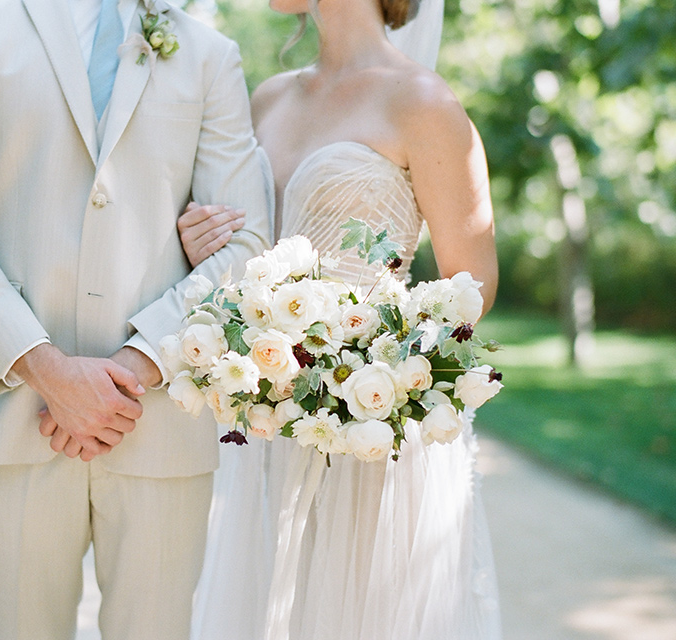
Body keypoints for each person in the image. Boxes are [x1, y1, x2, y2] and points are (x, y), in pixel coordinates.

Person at [0, 0, 272, 636]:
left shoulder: (212, 55)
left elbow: (247, 245)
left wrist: (135, 365)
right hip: (18, 417)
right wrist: (49, 372)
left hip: (160, 420)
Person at [179, 0, 503, 638]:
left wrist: (363, 365)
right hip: (270, 418)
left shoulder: (424, 102)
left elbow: (474, 284)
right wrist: (201, 246)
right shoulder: (267, 98)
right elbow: (240, 247)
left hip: (370, 426)